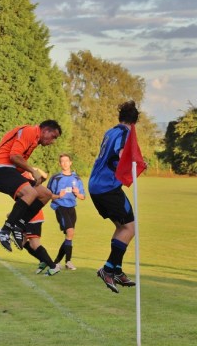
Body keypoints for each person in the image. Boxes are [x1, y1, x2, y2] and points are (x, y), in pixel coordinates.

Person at [0, 120, 62, 252]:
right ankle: (5, 230)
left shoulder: (31, 137)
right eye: (53, 137)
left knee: (45, 194)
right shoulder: (30, 132)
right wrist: (32, 171)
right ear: (46, 131)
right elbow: (14, 156)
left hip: (7, 171)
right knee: (30, 193)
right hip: (1, 171)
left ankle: (18, 225)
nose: (53, 141)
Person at [88, 101, 140, 293]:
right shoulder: (125, 133)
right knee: (130, 228)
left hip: (95, 186)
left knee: (121, 227)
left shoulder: (110, 132)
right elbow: (120, 154)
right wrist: (135, 163)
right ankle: (108, 269)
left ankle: (116, 270)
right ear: (134, 122)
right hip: (107, 187)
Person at [47, 153, 85, 270]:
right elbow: (47, 194)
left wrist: (77, 193)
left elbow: (83, 196)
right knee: (70, 232)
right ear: (60, 164)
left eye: (66, 161)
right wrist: (59, 196)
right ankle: (68, 261)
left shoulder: (76, 178)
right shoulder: (56, 178)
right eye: (62, 161)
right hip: (60, 207)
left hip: (72, 208)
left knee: (69, 235)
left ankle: (56, 262)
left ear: (70, 163)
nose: (64, 163)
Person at [24, 207, 61, 276]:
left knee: (35, 244)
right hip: (25, 218)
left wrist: (13, 215)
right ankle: (44, 260)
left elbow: (25, 204)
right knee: (22, 242)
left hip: (33, 217)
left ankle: (53, 267)